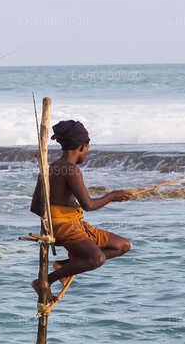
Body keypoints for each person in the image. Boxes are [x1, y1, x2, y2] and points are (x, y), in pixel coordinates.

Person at [29, 120, 133, 302]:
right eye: (88, 148)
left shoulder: (50, 168)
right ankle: (44, 282)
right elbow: (89, 205)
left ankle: (64, 266)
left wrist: (58, 214)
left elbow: (35, 207)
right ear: (82, 147)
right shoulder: (71, 170)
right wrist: (111, 196)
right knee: (97, 258)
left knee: (122, 245)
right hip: (66, 227)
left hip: (69, 224)